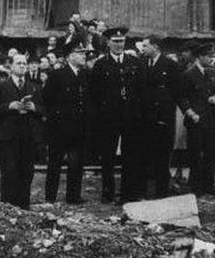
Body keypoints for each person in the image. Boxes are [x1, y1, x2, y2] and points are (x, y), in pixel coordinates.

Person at [90, 26, 147, 204]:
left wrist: (138, 112)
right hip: (109, 118)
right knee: (108, 156)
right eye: (115, 41)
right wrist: (100, 115)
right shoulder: (101, 64)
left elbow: (141, 90)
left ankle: (127, 193)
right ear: (108, 43)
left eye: (121, 41)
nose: (119, 44)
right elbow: (94, 94)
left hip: (130, 117)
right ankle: (108, 192)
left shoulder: (134, 62)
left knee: (131, 156)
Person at [0, 54, 43, 210]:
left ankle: (24, 206)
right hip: (8, 136)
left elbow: (44, 109)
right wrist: (9, 106)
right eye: (18, 63)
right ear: (11, 66)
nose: (22, 66)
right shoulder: (0, 87)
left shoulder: (35, 87)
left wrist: (35, 108)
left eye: (24, 63)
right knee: (9, 171)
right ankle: (7, 208)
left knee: (27, 171)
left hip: (28, 136)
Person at [43, 40, 89, 204]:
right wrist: (53, 121)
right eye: (80, 53)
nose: (84, 56)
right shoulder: (58, 75)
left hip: (79, 127)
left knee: (76, 164)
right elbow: (47, 99)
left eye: (85, 53)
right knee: (55, 164)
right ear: (70, 56)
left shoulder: (85, 75)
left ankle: (73, 196)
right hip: (59, 128)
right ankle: (50, 196)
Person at [143, 35, 187, 198]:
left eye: (146, 46)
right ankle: (147, 191)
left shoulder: (170, 65)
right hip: (147, 118)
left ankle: (161, 192)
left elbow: (177, 92)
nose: (143, 49)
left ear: (155, 47)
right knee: (148, 155)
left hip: (163, 118)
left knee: (162, 157)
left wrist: (186, 110)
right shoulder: (143, 64)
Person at [181, 43, 215, 196]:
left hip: (211, 119)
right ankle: (196, 186)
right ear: (200, 57)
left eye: (212, 56)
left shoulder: (212, 73)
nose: (212, 59)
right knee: (195, 154)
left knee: (211, 153)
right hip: (196, 120)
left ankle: (208, 186)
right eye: (209, 56)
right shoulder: (189, 74)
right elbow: (182, 98)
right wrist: (191, 113)